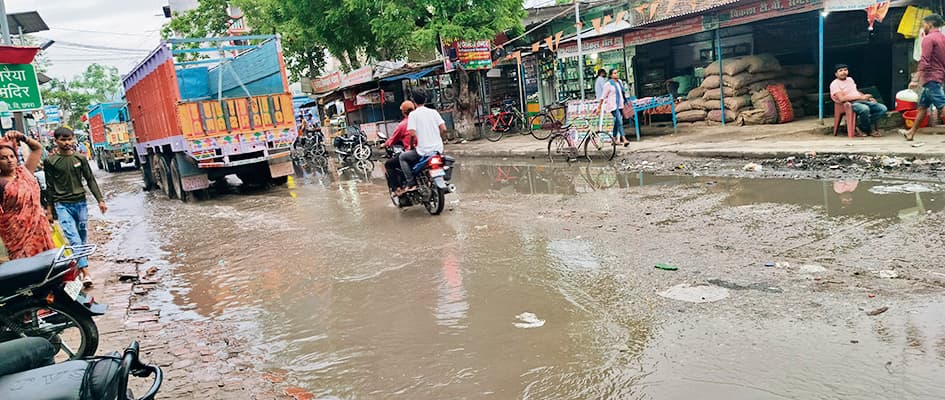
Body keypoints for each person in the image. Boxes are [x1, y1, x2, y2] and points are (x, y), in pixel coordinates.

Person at [44, 127, 106, 286]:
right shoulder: (51, 161)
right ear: (56, 141)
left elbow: (90, 179)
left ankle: (79, 266)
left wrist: (100, 200)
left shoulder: (80, 159)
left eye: (69, 139)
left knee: (82, 235)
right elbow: (49, 186)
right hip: (62, 205)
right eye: (63, 140)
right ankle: (86, 272)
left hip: (81, 203)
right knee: (74, 238)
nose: (67, 143)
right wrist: (49, 210)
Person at [0, 131, 54, 260]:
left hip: (39, 228)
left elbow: (37, 148)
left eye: (12, 156)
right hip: (15, 234)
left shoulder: (25, 172)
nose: (9, 161)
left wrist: (22, 137)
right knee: (24, 269)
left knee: (47, 264)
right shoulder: (1, 182)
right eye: (3, 158)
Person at [902, 14, 945, 141]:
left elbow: (924, 60)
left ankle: (911, 132)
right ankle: (911, 133)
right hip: (937, 76)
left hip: (931, 77)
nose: (923, 27)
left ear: (929, 24)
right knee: (922, 107)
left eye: (924, 24)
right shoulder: (942, 38)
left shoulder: (928, 39)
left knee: (942, 105)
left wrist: (915, 79)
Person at [399, 91, 445, 191]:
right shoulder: (434, 112)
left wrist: (411, 146)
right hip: (438, 148)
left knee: (402, 157)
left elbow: (412, 134)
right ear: (425, 100)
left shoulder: (413, 115)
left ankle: (411, 182)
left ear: (414, 101)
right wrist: (438, 138)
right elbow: (444, 129)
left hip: (423, 150)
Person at [829, 64, 887, 137]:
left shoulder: (850, 79)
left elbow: (855, 91)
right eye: (840, 71)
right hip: (848, 104)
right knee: (864, 109)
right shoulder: (835, 84)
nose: (843, 72)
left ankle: (861, 127)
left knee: (882, 108)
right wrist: (861, 98)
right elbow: (842, 98)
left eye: (845, 70)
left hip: (860, 100)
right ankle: (868, 130)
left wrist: (867, 98)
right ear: (836, 74)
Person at [384, 101, 416, 194]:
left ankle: (397, 188)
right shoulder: (421, 120)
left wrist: (385, 144)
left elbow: (392, 140)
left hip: (413, 151)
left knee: (389, 164)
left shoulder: (402, 125)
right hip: (428, 150)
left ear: (403, 112)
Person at [598, 69, 630, 145]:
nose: (616, 74)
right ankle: (624, 139)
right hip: (613, 106)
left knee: (617, 122)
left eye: (617, 73)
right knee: (619, 121)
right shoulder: (608, 84)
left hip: (620, 105)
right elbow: (603, 96)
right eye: (615, 73)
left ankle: (614, 139)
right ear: (611, 75)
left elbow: (622, 93)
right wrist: (599, 107)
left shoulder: (619, 82)